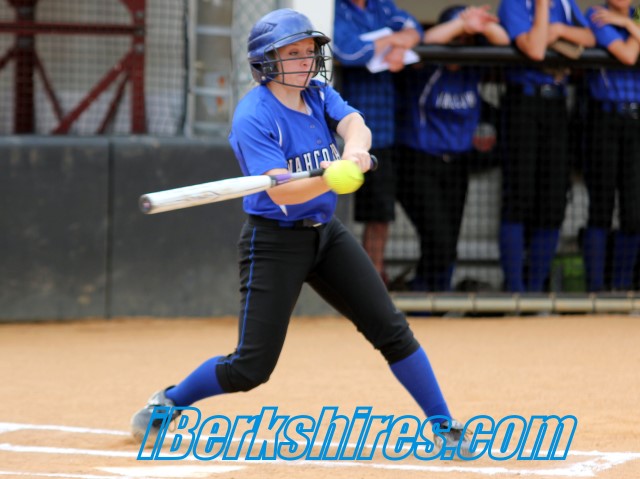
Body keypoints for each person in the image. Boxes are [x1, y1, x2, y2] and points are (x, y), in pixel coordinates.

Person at [130, 8, 472, 457]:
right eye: (293, 54)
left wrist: (354, 152)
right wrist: (332, 177)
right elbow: (284, 194)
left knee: (391, 330)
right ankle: (168, 403)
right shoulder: (253, 116)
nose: (306, 61)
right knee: (250, 368)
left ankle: (445, 427)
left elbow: (355, 124)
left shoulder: (317, 93)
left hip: (326, 234)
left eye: (309, 52)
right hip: (275, 241)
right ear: (266, 62)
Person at [395, 5, 509, 292]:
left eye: (468, 39)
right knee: (439, 240)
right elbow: (425, 41)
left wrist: (480, 23)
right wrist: (462, 24)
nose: (462, 44)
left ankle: (435, 300)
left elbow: (503, 41)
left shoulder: (472, 67)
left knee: (446, 242)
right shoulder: (426, 66)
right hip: (418, 163)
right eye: (457, 37)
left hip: (457, 165)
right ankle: (419, 291)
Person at [497, 0, 595, 293]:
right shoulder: (513, 4)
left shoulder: (564, 3)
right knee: (519, 197)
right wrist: (542, 8)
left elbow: (590, 37)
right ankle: (515, 291)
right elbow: (536, 49)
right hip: (523, 102)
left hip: (556, 104)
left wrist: (559, 29)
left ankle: (536, 291)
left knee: (553, 201)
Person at [333, 0, 423, 286]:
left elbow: (414, 28)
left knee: (380, 213)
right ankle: (337, 279)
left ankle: (372, 280)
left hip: (381, 129)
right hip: (339, 133)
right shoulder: (335, 8)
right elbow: (348, 51)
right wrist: (392, 40)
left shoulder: (381, 6)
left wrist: (395, 43)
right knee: (334, 213)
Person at [581, 1, 640, 291]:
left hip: (636, 121)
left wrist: (630, 24)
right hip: (604, 118)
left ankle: (622, 287)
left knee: (634, 210)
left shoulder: (635, 17)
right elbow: (628, 54)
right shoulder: (596, 14)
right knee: (601, 206)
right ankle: (596, 289)